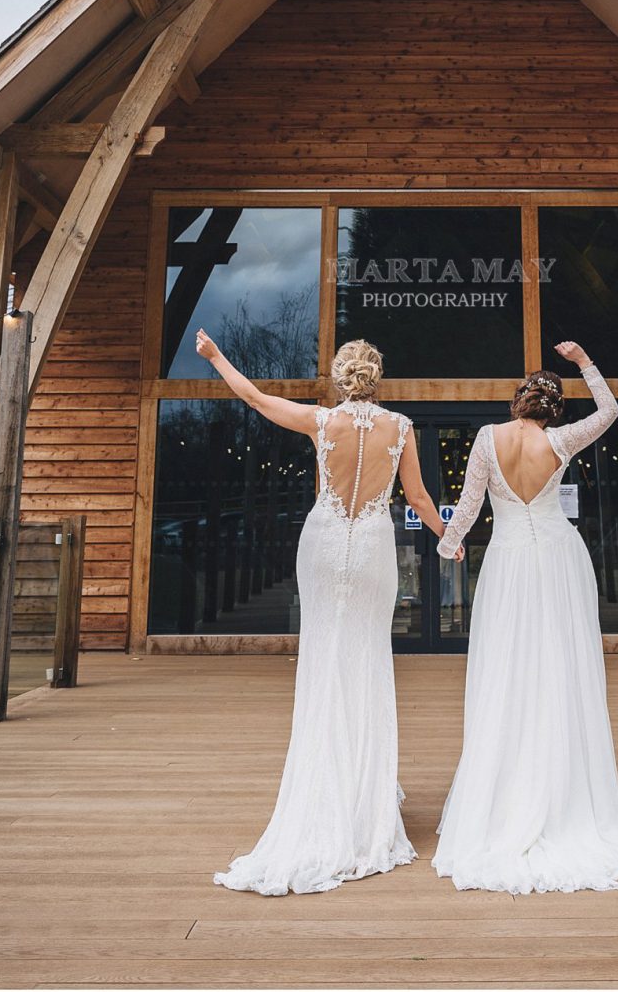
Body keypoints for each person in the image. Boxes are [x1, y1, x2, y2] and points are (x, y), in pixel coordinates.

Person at [196, 331, 457, 895]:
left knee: (323, 663)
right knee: (366, 664)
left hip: (323, 542)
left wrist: (217, 357)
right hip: (370, 549)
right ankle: (364, 810)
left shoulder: (322, 422)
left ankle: (323, 795)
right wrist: (449, 537)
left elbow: (259, 400)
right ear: (376, 378)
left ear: (342, 379)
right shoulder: (402, 429)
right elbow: (417, 499)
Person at [433, 340, 618, 894]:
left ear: (517, 404)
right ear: (551, 410)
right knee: (560, 667)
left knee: (506, 669)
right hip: (557, 558)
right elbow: (610, 412)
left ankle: (508, 791)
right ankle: (563, 792)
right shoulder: (561, 439)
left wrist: (449, 544)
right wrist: (585, 364)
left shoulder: (487, 439)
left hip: (507, 562)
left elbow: (469, 503)